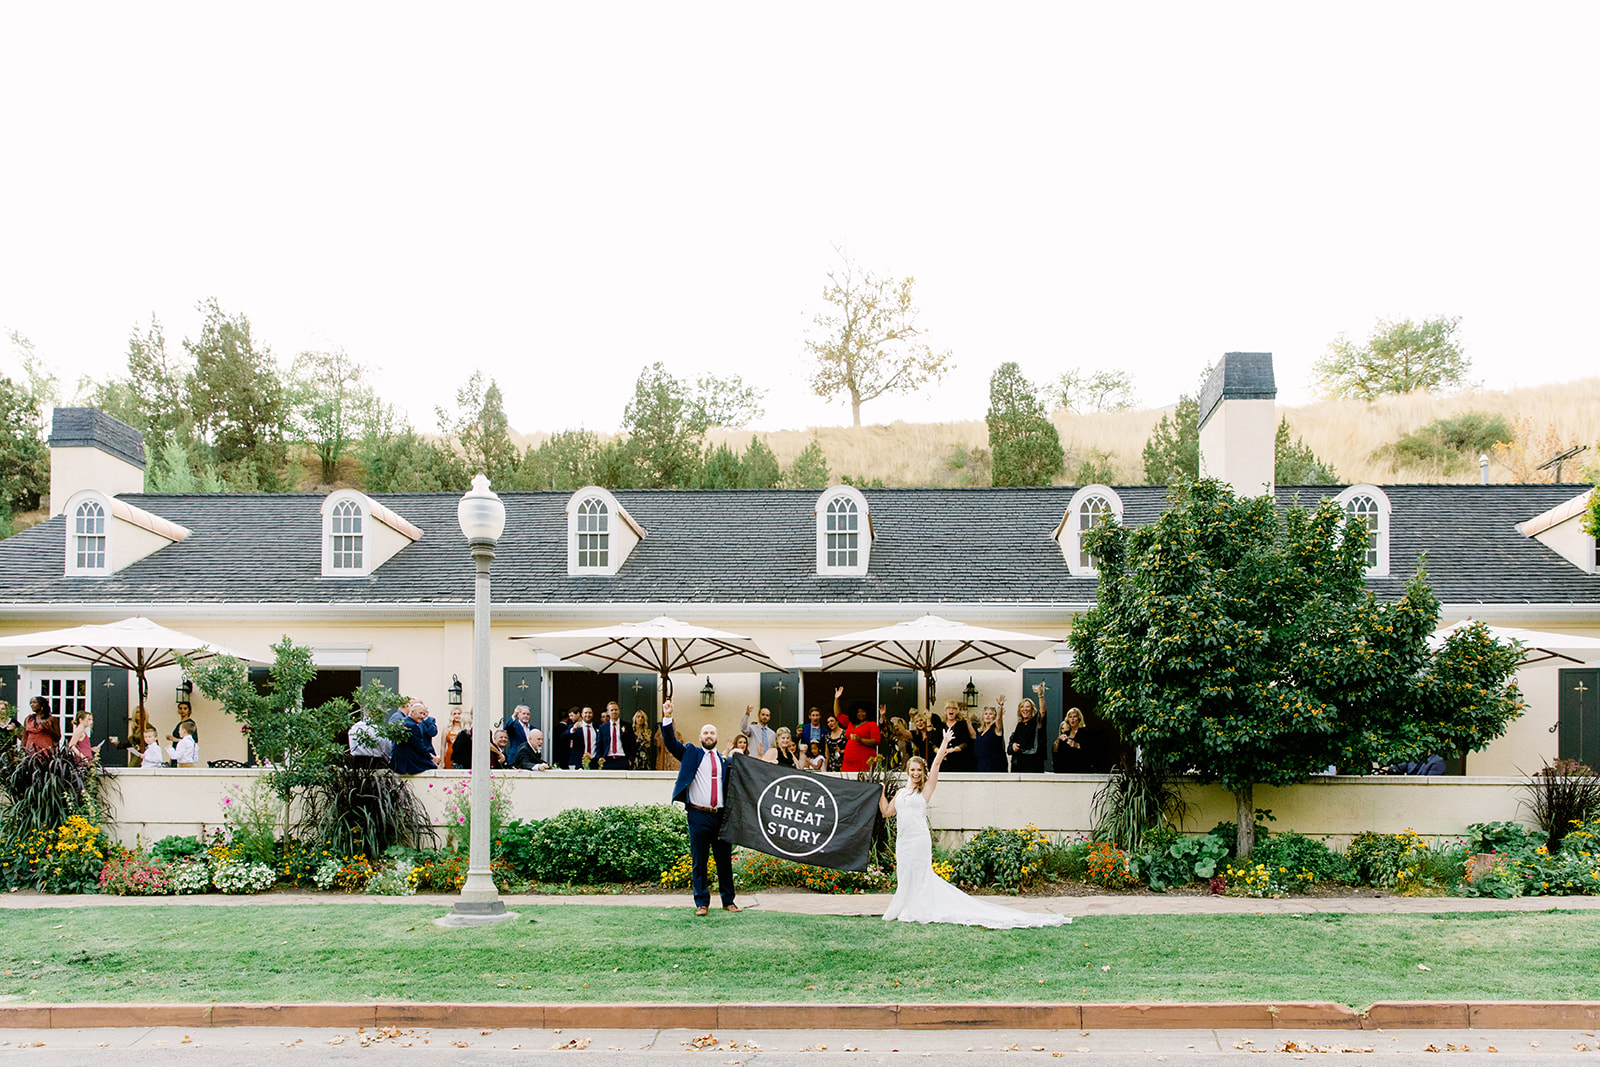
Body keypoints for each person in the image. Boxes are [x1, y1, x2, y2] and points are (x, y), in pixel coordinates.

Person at [879, 733, 1069, 928]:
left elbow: (936, 765)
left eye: (919, 769)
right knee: (904, 872)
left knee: (919, 873)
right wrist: (880, 793)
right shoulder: (901, 793)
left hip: (919, 840)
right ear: (907, 770)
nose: (916, 773)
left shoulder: (926, 789)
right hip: (903, 841)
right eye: (912, 770)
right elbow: (886, 812)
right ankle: (904, 904)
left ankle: (918, 907)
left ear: (922, 771)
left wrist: (944, 742)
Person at [659, 699, 739, 916]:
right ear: (700, 737)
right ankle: (701, 903)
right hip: (698, 815)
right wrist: (667, 716)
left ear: (717, 737)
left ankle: (728, 901)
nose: (709, 736)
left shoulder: (725, 761)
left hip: (721, 817)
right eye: (705, 733)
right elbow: (670, 742)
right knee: (699, 861)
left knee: (724, 862)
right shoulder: (691, 753)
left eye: (712, 733)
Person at [390, 700, 438, 775]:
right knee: (432, 766)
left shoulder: (403, 721)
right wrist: (431, 757)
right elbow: (419, 746)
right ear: (412, 713)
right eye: (420, 713)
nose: (422, 716)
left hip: (397, 762)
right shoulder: (412, 726)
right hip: (408, 763)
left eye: (424, 714)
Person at [1008, 689, 1045, 773]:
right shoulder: (1019, 725)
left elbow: (1042, 712)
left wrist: (1040, 696)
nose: (1025, 709)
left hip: (1032, 763)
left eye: (1027, 706)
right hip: (1018, 764)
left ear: (1032, 709)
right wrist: (1013, 745)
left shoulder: (1035, 722)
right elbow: (1011, 746)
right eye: (1022, 707)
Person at [840, 697, 880, 773]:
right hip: (847, 763)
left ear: (868, 712)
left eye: (863, 712)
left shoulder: (872, 725)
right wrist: (836, 699)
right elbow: (838, 714)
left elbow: (876, 741)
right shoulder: (851, 723)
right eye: (858, 712)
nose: (860, 714)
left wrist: (861, 740)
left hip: (863, 761)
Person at [596, 701, 634, 770]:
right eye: (612, 710)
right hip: (608, 760)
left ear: (619, 711)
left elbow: (632, 743)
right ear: (608, 712)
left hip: (622, 759)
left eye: (616, 710)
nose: (614, 712)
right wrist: (600, 757)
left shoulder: (627, 726)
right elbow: (599, 744)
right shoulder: (603, 728)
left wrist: (630, 760)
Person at [1053, 707, 1091, 773]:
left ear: (1079, 719)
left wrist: (1077, 746)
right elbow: (1056, 753)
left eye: (1075, 716)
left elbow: (1090, 752)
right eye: (1070, 717)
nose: (1072, 719)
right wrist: (1058, 740)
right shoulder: (1066, 733)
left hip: (1080, 769)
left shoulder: (1085, 733)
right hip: (1065, 769)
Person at [941, 702, 975, 773]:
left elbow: (965, 743)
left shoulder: (962, 725)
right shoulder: (941, 725)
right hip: (944, 761)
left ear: (957, 711)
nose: (951, 710)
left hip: (959, 761)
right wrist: (940, 751)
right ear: (945, 711)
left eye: (954, 708)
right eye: (949, 708)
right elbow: (934, 743)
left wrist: (952, 750)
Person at [973, 704, 1007, 773]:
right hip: (981, 764)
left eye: (991, 714)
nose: (988, 716)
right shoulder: (980, 732)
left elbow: (999, 721)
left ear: (994, 717)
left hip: (993, 765)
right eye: (986, 714)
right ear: (983, 716)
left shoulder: (996, 729)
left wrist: (1000, 708)